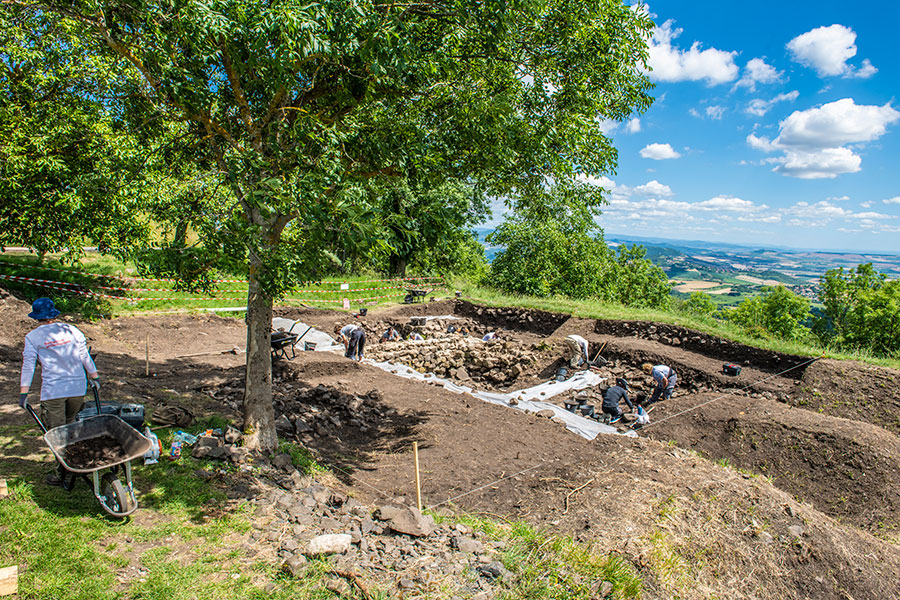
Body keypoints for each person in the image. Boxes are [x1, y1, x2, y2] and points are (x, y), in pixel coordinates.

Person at [19, 297, 100, 485]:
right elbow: (84, 356)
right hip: (77, 388)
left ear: (36, 317)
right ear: (53, 314)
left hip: (54, 391)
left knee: (57, 434)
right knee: (71, 426)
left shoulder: (33, 337)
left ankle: (63, 473)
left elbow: (28, 365)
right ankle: (73, 466)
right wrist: (94, 377)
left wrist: (24, 393)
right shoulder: (71, 330)